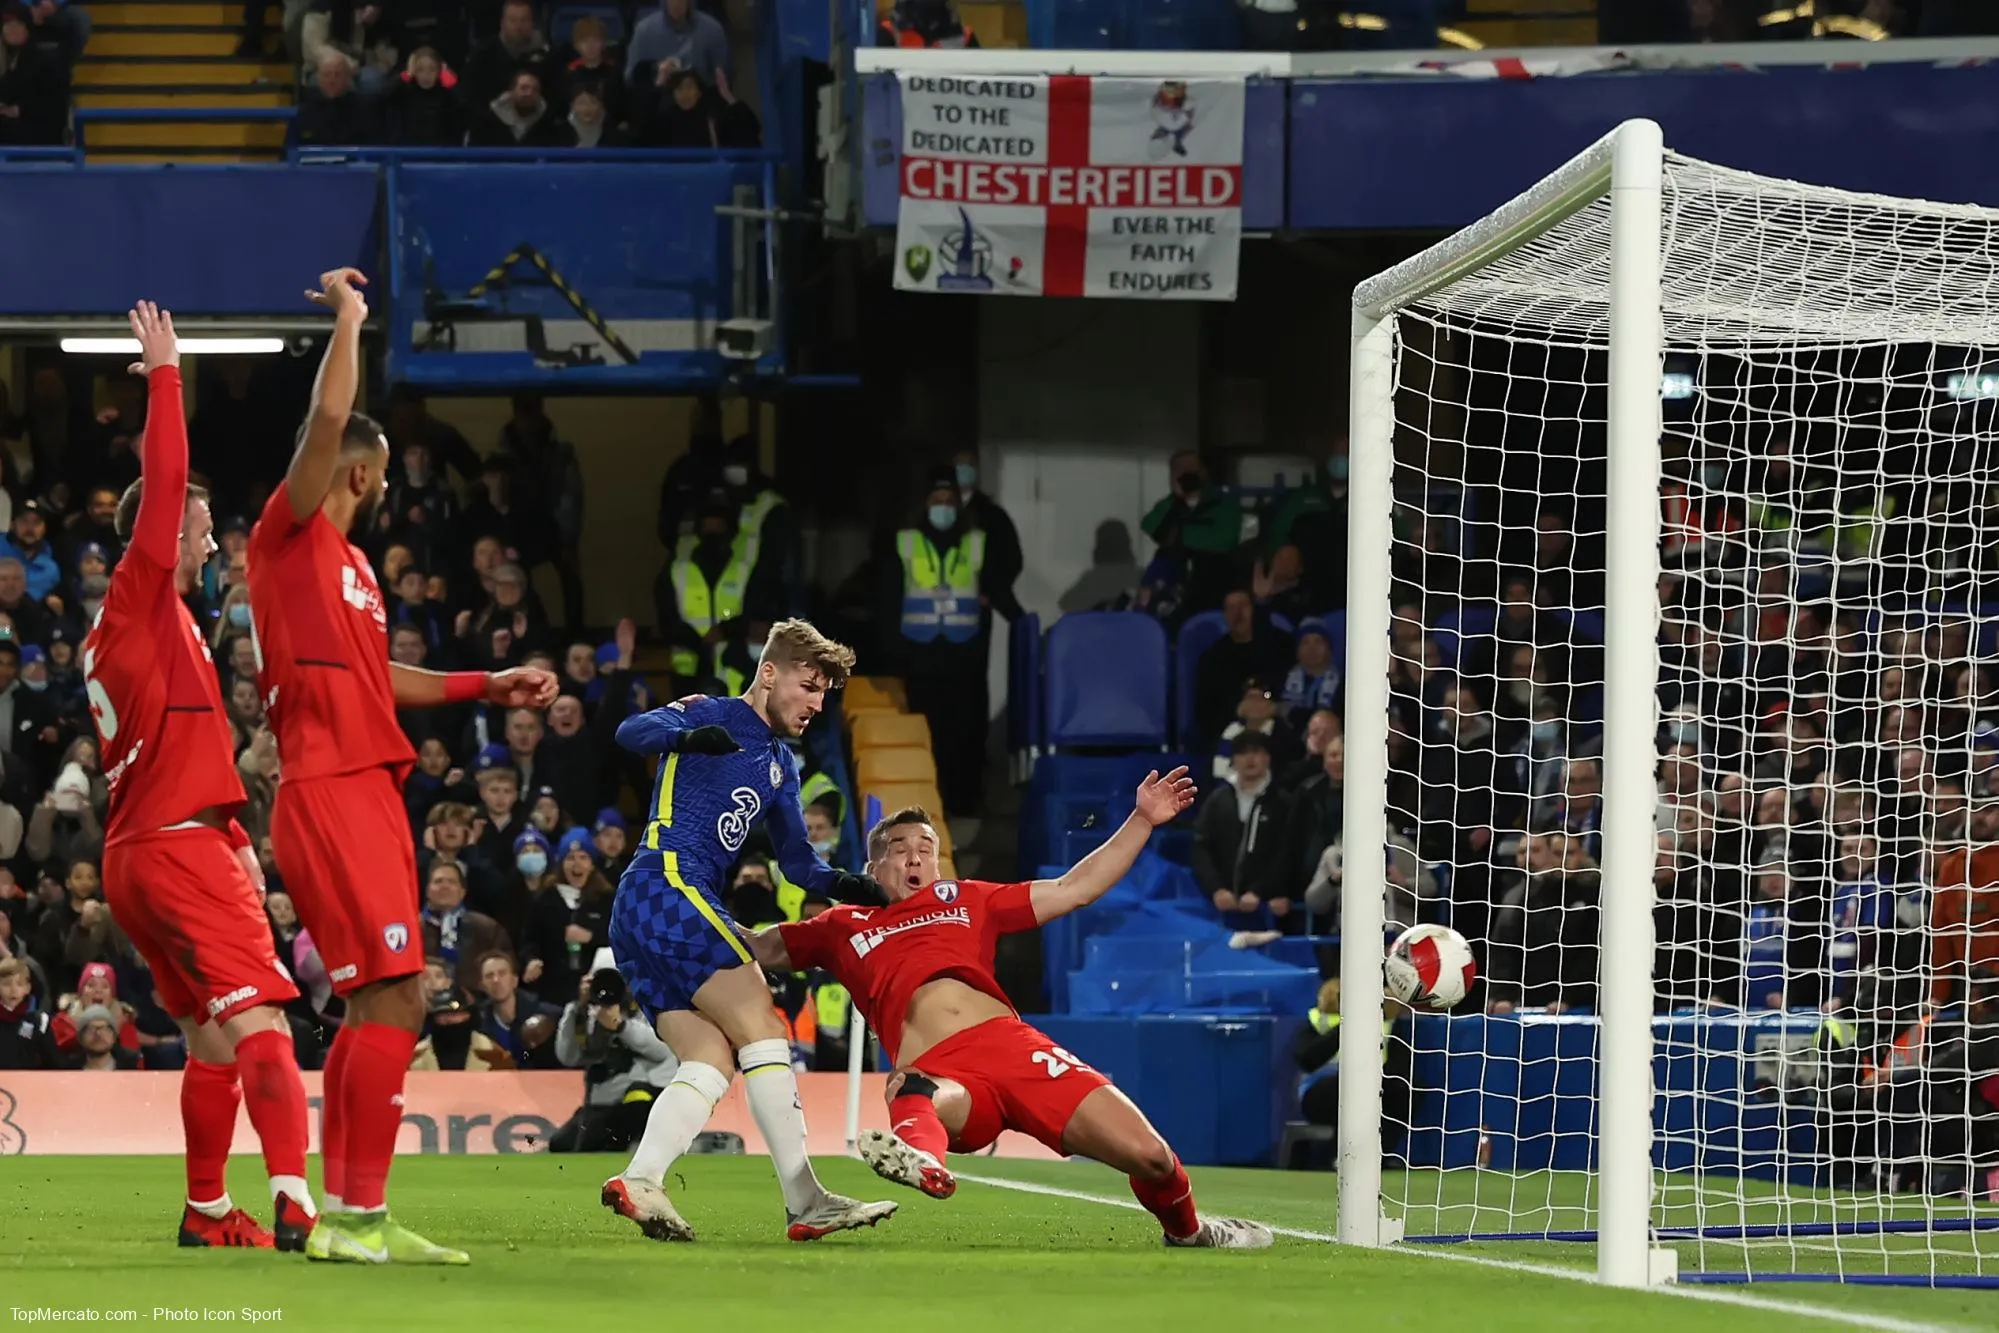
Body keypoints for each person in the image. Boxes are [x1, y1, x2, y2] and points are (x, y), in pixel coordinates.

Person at [247, 267, 557, 1267]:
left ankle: (349, 1218)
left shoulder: (351, 572)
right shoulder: (288, 537)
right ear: (368, 475)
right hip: (333, 791)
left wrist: (485, 684)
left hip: (363, 788)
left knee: (377, 1003)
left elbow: (380, 676)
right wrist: (349, 320)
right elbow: (327, 417)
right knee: (401, 996)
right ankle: (358, 1218)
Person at [741, 776, 1272, 1249]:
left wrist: (1141, 820)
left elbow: (1074, 889)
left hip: (1013, 1049)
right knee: (913, 1089)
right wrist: (683, 899)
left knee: (1153, 1158)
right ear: (872, 866)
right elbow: (757, 948)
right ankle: (924, 1161)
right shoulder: (842, 925)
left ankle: (1190, 1231)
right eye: (900, 850)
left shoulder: (966, 898)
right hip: (944, 1074)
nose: (915, 859)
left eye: (926, 849)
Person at [83, 303, 317, 1252]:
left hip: (143, 849)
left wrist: (234, 839)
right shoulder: (139, 598)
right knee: (263, 1020)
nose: (214, 543)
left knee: (211, 1037)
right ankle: (303, 1200)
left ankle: (208, 1208)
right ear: (161, 535)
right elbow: (166, 479)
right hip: (175, 847)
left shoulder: (151, 624)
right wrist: (167, 373)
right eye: (204, 528)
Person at [600, 618, 896, 1244]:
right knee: (762, 1024)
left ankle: (642, 1179)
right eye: (808, 686)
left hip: (651, 910)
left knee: (711, 1056)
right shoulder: (717, 711)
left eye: (825, 694)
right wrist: (693, 733)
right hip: (668, 883)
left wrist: (848, 885)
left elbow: (798, 864)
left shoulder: (782, 766)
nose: (817, 704)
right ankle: (806, 1199)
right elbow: (630, 732)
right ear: (769, 673)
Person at [882, 467, 998, 816]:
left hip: (962, 651)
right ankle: (924, 805)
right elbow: (889, 596)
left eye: (949, 501)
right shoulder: (906, 541)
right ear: (925, 504)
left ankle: (960, 802)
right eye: (937, 500)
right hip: (919, 650)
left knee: (960, 733)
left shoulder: (975, 541)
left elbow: (990, 591)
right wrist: (894, 648)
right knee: (922, 732)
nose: (943, 507)